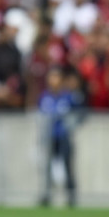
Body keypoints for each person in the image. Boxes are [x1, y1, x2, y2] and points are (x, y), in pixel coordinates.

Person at [38, 66, 85, 207]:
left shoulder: (69, 97)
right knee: (47, 167)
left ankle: (71, 195)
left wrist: (71, 125)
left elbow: (80, 113)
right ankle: (46, 194)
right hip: (49, 137)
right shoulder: (44, 96)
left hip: (64, 136)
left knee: (68, 166)